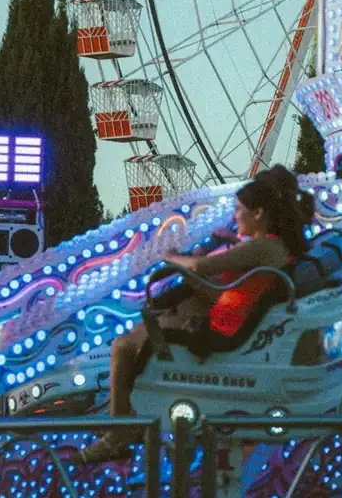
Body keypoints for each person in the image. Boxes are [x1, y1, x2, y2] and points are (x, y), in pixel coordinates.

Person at [73, 165, 314, 463]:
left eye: (239, 209)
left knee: (123, 346)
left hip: (219, 334)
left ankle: (117, 435)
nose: (234, 214)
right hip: (229, 321)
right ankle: (123, 420)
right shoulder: (271, 247)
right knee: (138, 333)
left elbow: (202, 268)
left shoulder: (264, 247)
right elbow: (234, 291)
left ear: (259, 214)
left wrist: (168, 256)